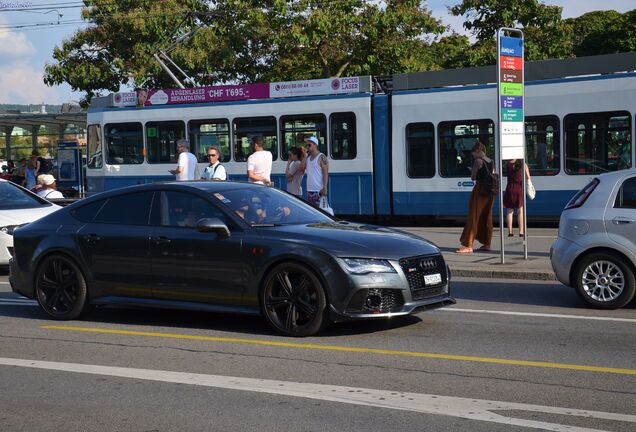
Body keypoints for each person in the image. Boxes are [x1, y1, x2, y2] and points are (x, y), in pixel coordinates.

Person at [456, 142, 495, 254]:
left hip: (480, 190)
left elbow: (473, 177)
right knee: (487, 216)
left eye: (473, 154)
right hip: (490, 191)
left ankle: (468, 245)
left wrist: (472, 170)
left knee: (474, 216)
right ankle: (487, 244)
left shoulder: (478, 161)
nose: (473, 156)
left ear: (478, 151)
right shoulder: (491, 161)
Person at [504, 159, 531, 237]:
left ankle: (510, 232)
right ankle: (521, 232)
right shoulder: (523, 164)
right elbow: (528, 177)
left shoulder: (508, 164)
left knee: (509, 211)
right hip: (519, 188)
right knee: (520, 211)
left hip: (510, 188)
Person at [302, 136, 328, 206]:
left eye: (309, 145)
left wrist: (325, 187)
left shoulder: (321, 156)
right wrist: (304, 156)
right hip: (310, 190)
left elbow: (325, 173)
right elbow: (301, 169)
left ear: (315, 145)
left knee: (320, 212)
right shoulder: (308, 158)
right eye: (306, 145)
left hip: (319, 190)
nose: (307, 147)